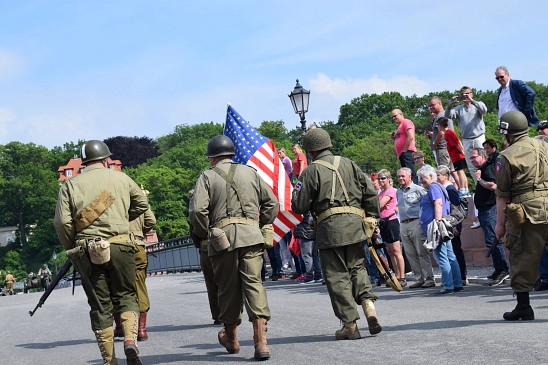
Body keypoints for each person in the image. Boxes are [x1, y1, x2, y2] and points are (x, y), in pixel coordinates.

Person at [54, 140, 149, 365]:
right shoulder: (122, 178)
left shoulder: (70, 184)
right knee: (126, 295)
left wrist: (72, 247)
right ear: (106, 159)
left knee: (100, 304)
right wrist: (121, 218)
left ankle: (109, 360)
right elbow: (142, 205)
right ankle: (129, 340)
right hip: (121, 246)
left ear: (84, 163)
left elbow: (61, 223)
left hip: (88, 249)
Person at [189, 135, 279, 360]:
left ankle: (231, 338)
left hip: (221, 239)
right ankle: (261, 343)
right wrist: (257, 224)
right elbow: (272, 203)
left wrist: (206, 232)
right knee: (254, 284)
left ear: (212, 158)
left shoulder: (207, 177)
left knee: (227, 288)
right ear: (231, 154)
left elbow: (197, 211)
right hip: (250, 236)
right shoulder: (251, 172)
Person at [291, 128, 382, 340]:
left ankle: (350, 325)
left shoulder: (310, 171)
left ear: (310, 151)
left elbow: (299, 205)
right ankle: (369, 306)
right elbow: (370, 193)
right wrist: (373, 219)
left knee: (337, 275)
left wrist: (298, 191)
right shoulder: (349, 163)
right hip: (355, 225)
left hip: (330, 228)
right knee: (358, 268)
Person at [495, 111, 548, 320]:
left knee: (521, 255)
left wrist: (500, 226)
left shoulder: (506, 156)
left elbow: (502, 195)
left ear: (508, 133)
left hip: (527, 212)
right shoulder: (544, 145)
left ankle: (523, 306)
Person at [417, 165, 463, 295]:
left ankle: (448, 285)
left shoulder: (433, 187)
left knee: (442, 257)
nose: (421, 181)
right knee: (450, 256)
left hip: (437, 228)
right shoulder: (439, 187)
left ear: (431, 176)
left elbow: (438, 203)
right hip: (442, 226)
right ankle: (457, 283)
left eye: (423, 178)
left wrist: (437, 223)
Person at [469, 148, 510, 286]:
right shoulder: (483, 169)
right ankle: (498, 269)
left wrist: (479, 179)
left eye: (474, 157)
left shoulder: (488, 168)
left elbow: (493, 186)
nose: (472, 160)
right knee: (490, 241)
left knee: (493, 240)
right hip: (483, 210)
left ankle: (503, 270)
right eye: (471, 158)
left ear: (482, 156)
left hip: (489, 209)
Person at [396, 167, 435, 288]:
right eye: (399, 176)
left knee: (421, 251)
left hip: (416, 222)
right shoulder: (398, 191)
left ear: (409, 176)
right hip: (403, 223)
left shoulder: (418, 189)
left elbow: (428, 204)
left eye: (403, 176)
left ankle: (429, 278)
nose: (401, 178)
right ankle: (419, 278)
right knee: (410, 253)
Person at [445, 86, 487, 181]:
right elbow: (447, 115)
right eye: (462, 95)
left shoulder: (477, 105)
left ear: (471, 94)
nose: (465, 96)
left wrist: (472, 100)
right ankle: (478, 185)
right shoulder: (458, 109)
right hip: (467, 139)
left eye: (467, 94)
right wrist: (450, 105)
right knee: (471, 165)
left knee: (483, 160)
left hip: (479, 137)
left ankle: (488, 180)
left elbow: (484, 110)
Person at [436, 165, 468, 286]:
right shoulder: (442, 188)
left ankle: (462, 276)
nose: (437, 177)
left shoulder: (450, 189)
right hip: (448, 223)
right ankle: (457, 277)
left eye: (439, 175)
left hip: (452, 224)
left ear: (446, 176)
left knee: (456, 250)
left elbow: (456, 208)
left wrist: (454, 226)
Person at [377, 169, 406, 287]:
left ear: (388, 179)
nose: (380, 180)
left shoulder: (390, 191)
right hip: (383, 222)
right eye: (379, 178)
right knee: (389, 251)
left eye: (383, 178)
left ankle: (402, 277)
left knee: (396, 250)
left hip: (391, 221)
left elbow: (380, 205)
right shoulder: (380, 192)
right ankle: (396, 276)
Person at [437, 117, 470, 196]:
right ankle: (465, 189)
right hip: (456, 156)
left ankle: (462, 189)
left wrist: (462, 152)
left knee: (460, 172)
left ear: (441, 125)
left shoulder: (448, 133)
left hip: (457, 156)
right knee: (461, 172)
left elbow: (456, 144)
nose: (437, 127)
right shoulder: (448, 133)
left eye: (438, 125)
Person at [293, 211, 322, 284]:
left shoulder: (303, 208)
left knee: (307, 255)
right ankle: (318, 275)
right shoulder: (313, 207)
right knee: (315, 255)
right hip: (314, 231)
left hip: (305, 232)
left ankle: (309, 277)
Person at [391, 109, 417, 183]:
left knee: (410, 174)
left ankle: (414, 190)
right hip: (403, 153)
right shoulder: (400, 125)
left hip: (408, 152)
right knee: (406, 174)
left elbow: (410, 136)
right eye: (392, 117)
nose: (393, 118)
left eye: (395, 116)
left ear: (401, 114)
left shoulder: (406, 122)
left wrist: (404, 150)